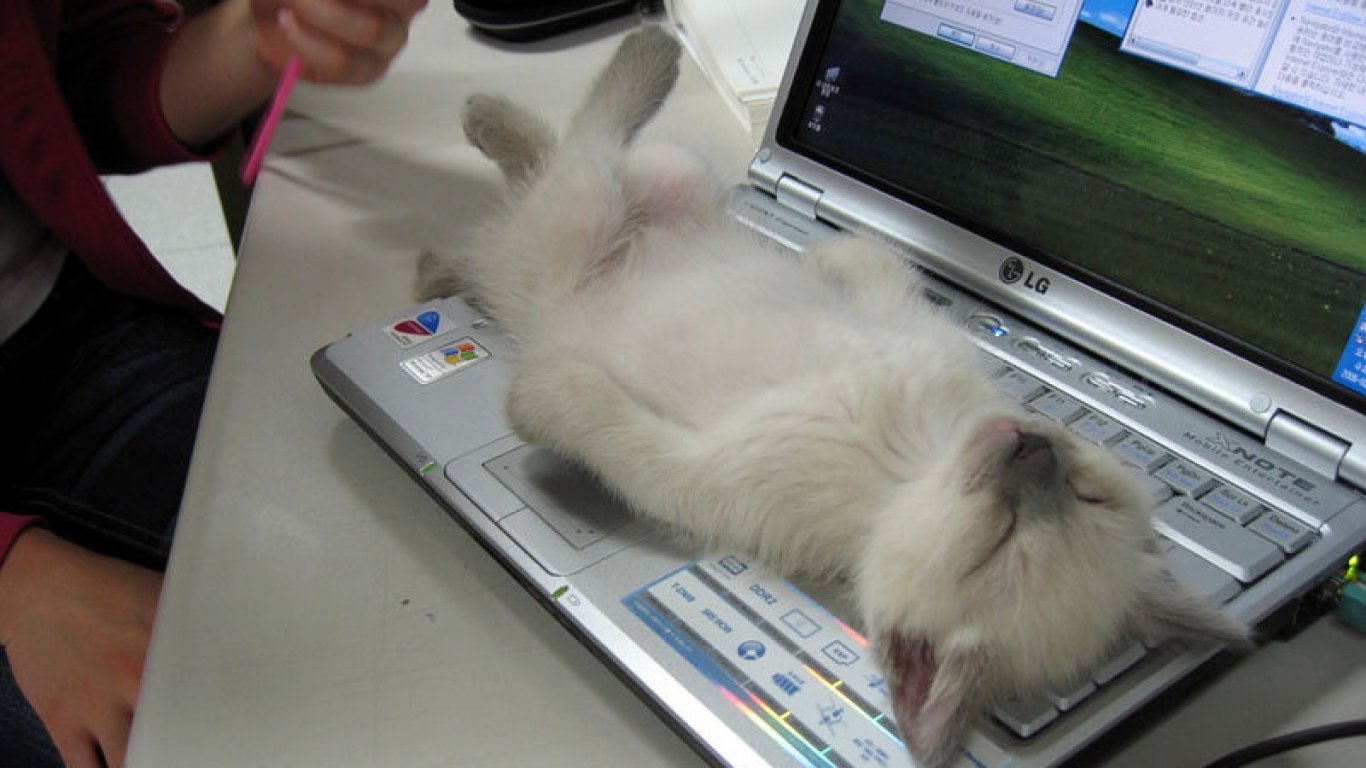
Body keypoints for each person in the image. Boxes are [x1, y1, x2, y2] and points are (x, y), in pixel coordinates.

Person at [0, 0, 427, 765]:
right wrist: (14, 579)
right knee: (205, 719)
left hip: (53, 338)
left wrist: (248, 44)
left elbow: (54, 85)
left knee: (391, 552)